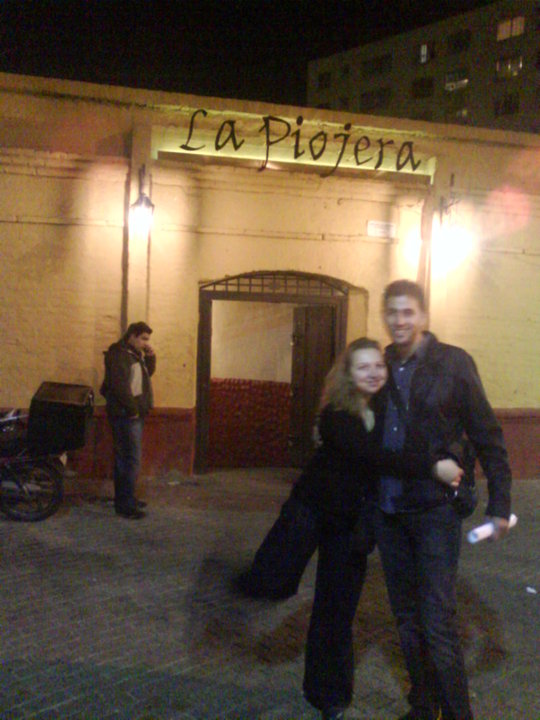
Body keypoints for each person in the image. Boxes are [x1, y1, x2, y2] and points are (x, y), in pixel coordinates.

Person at [300, 338, 462, 720]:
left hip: (367, 523)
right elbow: (377, 457)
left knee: (348, 606)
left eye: (378, 366)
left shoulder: (381, 407)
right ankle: (327, 695)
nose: (373, 373)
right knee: (333, 609)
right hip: (340, 524)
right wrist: (432, 468)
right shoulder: (338, 414)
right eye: (363, 367)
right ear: (348, 373)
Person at [375, 279, 512, 720]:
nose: (399, 320)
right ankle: (423, 705)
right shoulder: (380, 365)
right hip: (388, 510)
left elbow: (487, 434)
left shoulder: (453, 363)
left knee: (437, 623)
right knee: (406, 619)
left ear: (423, 316)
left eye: (408, 312)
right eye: (392, 312)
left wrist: (499, 503)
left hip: (434, 509)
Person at [100, 321, 156, 519]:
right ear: (132, 335)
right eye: (143, 338)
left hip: (133, 413)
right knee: (129, 459)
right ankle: (125, 505)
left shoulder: (134, 354)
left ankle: (127, 498)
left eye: (147, 339)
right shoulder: (119, 354)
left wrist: (150, 358)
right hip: (126, 415)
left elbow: (145, 376)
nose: (145, 343)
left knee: (129, 459)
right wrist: (132, 410)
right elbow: (120, 386)